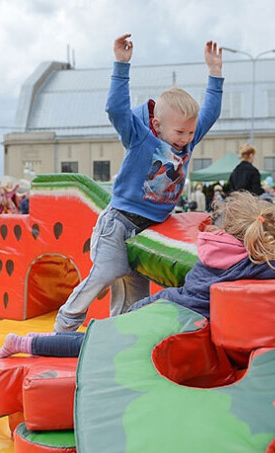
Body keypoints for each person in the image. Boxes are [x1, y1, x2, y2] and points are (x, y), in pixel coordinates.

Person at [0, 191, 275, 358]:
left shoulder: (216, 245)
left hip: (161, 303)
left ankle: (28, 341)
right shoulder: (254, 264)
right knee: (97, 348)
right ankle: (25, 343)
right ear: (262, 234)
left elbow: (246, 246)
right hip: (169, 322)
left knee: (100, 339)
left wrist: (268, 241)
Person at [52, 33, 224, 333]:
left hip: (148, 229)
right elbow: (115, 111)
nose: (186, 139)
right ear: (157, 125)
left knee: (135, 293)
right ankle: (66, 323)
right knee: (108, 271)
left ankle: (118, 334)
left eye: (190, 133)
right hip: (118, 223)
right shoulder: (140, 137)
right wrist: (121, 65)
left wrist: (215, 73)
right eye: (180, 132)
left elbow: (212, 111)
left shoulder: (188, 141)